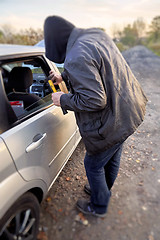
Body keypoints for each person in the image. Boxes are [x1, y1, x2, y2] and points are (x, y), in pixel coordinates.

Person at [44, 16, 147, 217]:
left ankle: (99, 205)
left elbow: (94, 100)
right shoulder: (94, 35)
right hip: (129, 110)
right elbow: (95, 65)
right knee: (113, 155)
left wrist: (62, 99)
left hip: (113, 117)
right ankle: (103, 191)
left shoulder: (76, 56)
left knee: (93, 165)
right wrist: (63, 76)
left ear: (55, 42)